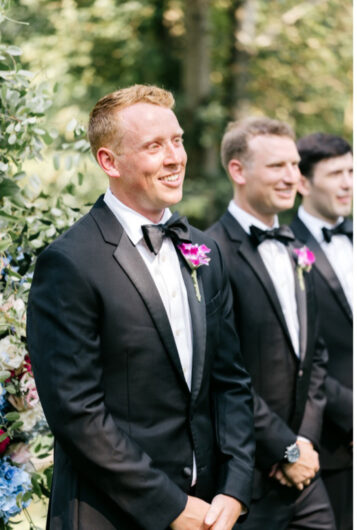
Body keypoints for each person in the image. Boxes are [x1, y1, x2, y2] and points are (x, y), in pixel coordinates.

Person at [26, 85, 255, 530]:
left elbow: (230, 381)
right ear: (109, 161)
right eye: (154, 146)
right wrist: (170, 506)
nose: (175, 158)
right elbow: (77, 413)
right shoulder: (71, 262)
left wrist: (235, 486)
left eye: (177, 140)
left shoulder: (204, 251)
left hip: (210, 512)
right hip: (109, 515)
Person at [207, 117, 334, 529]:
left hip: (303, 472)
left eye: (295, 166)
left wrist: (305, 446)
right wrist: (285, 450)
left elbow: (314, 357)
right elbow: (221, 371)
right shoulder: (210, 254)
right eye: (277, 166)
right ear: (238, 171)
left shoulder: (300, 250)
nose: (292, 177)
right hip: (245, 474)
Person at [290, 132, 356, 529]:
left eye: (350, 171)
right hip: (326, 440)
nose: (348, 183)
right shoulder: (288, 247)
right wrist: (351, 411)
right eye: (335, 174)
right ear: (303, 182)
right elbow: (299, 353)